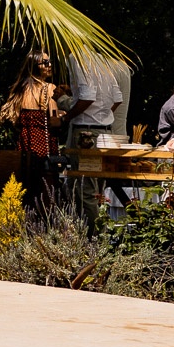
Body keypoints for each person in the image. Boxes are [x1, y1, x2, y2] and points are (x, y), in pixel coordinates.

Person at [0, 49, 67, 207]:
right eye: (45, 63)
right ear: (35, 66)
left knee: (27, 191)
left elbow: (15, 120)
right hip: (45, 148)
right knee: (46, 193)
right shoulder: (49, 89)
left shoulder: (21, 89)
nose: (50, 66)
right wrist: (65, 117)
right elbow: (53, 120)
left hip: (25, 148)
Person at [63, 54, 122, 223]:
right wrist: (102, 116)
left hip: (86, 133)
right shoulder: (103, 58)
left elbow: (88, 97)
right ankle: (101, 234)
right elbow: (117, 98)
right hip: (106, 133)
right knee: (99, 190)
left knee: (85, 190)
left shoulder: (77, 57)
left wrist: (66, 118)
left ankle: (93, 239)